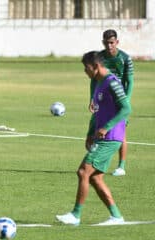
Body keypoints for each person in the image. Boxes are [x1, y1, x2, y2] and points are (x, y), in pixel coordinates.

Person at [56, 51, 131, 226]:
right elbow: (97, 112)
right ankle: (116, 216)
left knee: (83, 171)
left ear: (96, 67)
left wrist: (107, 127)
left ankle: (75, 215)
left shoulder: (112, 82)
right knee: (95, 177)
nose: (85, 71)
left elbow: (126, 108)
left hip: (111, 137)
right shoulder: (98, 83)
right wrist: (90, 132)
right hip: (101, 136)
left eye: (86, 68)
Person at [89, 29, 134, 176]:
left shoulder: (125, 59)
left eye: (112, 43)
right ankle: (99, 163)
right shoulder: (100, 58)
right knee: (97, 127)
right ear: (102, 42)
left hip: (119, 100)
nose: (109, 46)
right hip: (103, 99)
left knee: (121, 133)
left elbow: (130, 82)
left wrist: (125, 101)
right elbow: (94, 79)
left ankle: (121, 166)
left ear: (117, 42)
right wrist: (92, 98)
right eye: (106, 43)